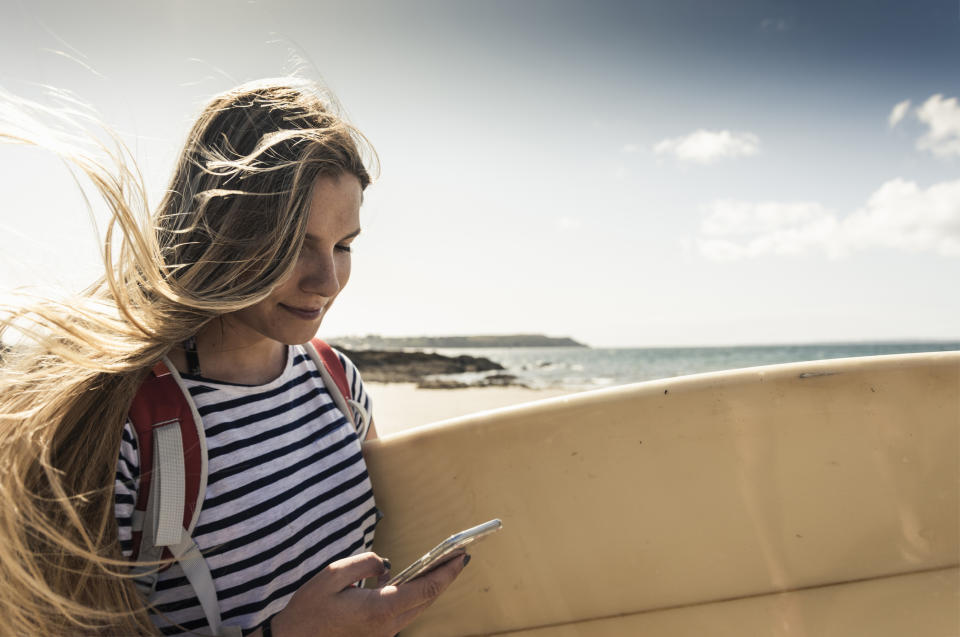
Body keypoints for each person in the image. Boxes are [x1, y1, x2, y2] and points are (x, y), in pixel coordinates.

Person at [0, 79, 468, 636]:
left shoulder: (338, 383)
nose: (327, 281)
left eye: (343, 246)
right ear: (218, 230)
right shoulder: (122, 421)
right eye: (295, 243)